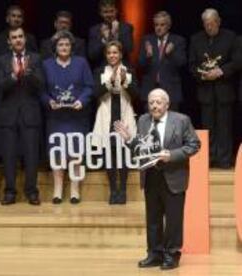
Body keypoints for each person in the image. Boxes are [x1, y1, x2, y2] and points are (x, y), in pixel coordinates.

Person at [114, 88, 201, 270]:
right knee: (152, 219)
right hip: (151, 176)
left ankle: (172, 255)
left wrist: (172, 154)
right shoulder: (144, 120)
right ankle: (154, 253)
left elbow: (194, 144)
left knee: (173, 220)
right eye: (151, 102)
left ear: (167, 105)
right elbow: (142, 148)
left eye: (158, 102)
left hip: (173, 176)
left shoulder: (181, 120)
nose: (154, 106)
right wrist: (130, 140)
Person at [42, 30, 94, 204]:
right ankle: (57, 189)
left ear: (72, 47)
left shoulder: (81, 63)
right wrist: (49, 101)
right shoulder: (46, 65)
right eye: (60, 45)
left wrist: (82, 101)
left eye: (67, 45)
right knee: (57, 152)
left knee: (76, 153)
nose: (64, 47)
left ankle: (74, 189)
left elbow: (89, 87)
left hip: (77, 117)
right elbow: (41, 91)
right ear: (55, 48)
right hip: (56, 117)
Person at [0, 27, 44, 205]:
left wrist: (27, 72)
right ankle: (9, 192)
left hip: (30, 114)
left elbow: (41, 84)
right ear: (9, 41)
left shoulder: (36, 59)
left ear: (25, 39)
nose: (18, 40)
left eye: (20, 36)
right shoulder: (2, 61)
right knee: (9, 156)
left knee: (31, 155)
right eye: (14, 37)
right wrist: (14, 76)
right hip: (8, 115)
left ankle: (32, 192)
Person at [189, 8, 237, 168]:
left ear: (218, 22)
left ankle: (224, 160)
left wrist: (221, 71)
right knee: (207, 126)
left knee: (224, 126)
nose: (209, 27)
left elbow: (237, 61)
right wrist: (202, 74)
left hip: (224, 89)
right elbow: (191, 65)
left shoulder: (231, 37)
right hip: (205, 90)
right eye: (206, 24)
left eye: (211, 24)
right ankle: (208, 159)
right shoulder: (196, 39)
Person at [92, 41, 137, 204]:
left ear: (121, 54)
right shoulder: (100, 71)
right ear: (106, 55)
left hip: (124, 115)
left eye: (115, 52)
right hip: (106, 116)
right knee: (109, 155)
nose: (112, 55)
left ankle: (123, 190)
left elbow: (137, 94)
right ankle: (113, 190)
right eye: (109, 53)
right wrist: (110, 82)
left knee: (124, 154)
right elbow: (95, 93)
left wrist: (126, 81)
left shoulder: (129, 70)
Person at [138, 11, 186, 111]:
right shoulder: (147, 40)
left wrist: (170, 53)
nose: (158, 28)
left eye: (162, 25)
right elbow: (140, 64)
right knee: (149, 123)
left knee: (171, 123)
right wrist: (148, 55)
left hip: (171, 90)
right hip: (150, 89)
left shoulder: (178, 40)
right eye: (156, 25)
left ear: (169, 26)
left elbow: (182, 63)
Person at [88, 0, 133, 68]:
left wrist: (116, 35)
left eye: (111, 11)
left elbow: (129, 48)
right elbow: (92, 55)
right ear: (101, 13)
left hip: (122, 69)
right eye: (105, 12)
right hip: (102, 70)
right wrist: (104, 40)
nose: (109, 15)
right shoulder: (94, 30)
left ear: (116, 11)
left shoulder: (126, 28)